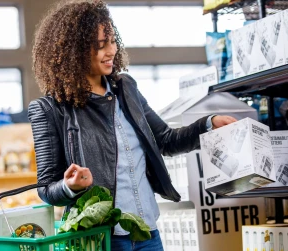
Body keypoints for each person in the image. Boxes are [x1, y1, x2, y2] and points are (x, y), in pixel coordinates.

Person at [28, 1, 237, 250]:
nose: (111, 51)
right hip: (101, 238)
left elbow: (166, 141)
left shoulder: (126, 89)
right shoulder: (50, 109)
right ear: (75, 51)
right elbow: (45, 188)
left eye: (112, 41)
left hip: (147, 232)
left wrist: (208, 124)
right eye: (100, 46)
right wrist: (70, 187)